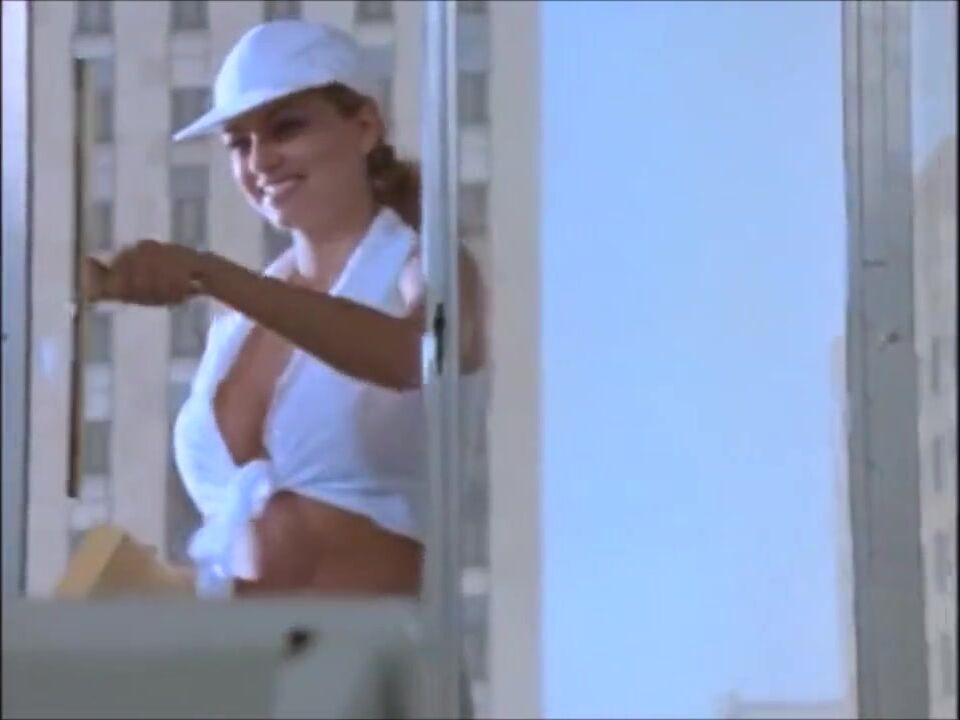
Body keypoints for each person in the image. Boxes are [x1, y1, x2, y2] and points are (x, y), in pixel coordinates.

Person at [84, 19, 487, 600]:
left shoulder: (427, 264)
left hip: (372, 650)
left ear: (365, 127)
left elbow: (419, 355)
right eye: (239, 143)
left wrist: (210, 274)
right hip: (243, 652)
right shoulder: (235, 329)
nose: (260, 161)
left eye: (286, 128)